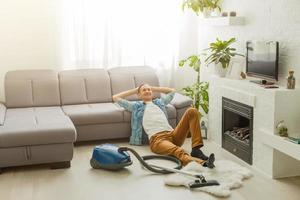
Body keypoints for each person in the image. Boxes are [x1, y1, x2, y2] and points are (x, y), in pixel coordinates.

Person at [112, 84, 215, 168]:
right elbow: (115, 97)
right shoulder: (136, 106)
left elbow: (172, 91)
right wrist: (135, 90)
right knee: (178, 151)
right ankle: (202, 163)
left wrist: (152, 88)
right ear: (139, 95)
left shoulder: (160, 102)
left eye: (149, 90)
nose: (147, 91)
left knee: (192, 111)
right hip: (158, 140)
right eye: (144, 90)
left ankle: (196, 149)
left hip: (173, 134)